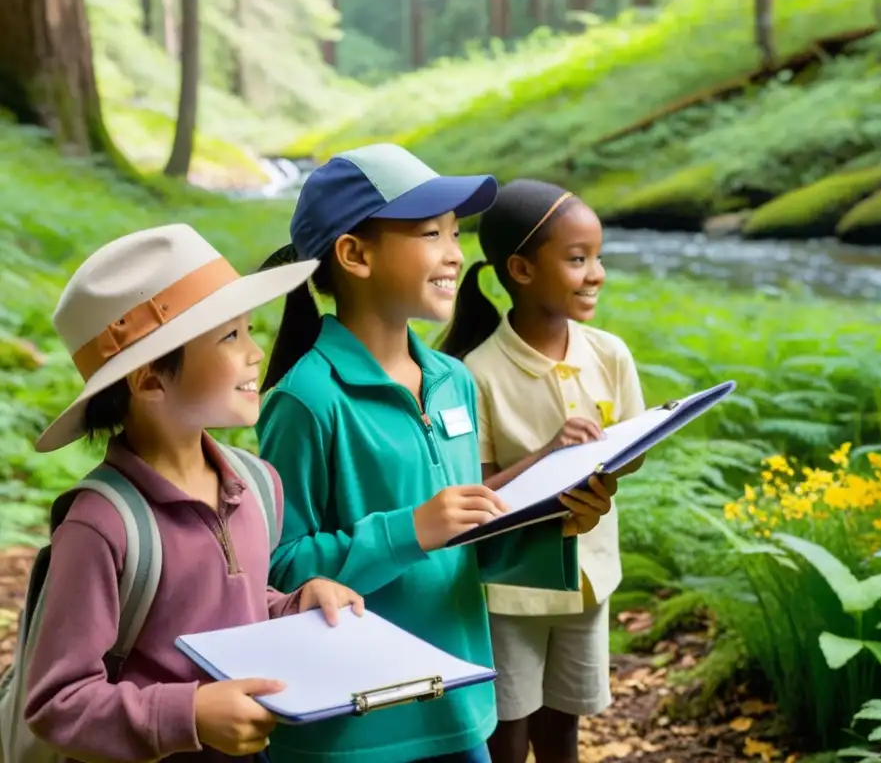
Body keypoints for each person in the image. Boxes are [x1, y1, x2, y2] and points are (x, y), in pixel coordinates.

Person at [254, 143, 616, 763]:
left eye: (455, 233)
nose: (454, 253)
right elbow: (278, 569)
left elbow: (468, 546)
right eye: (430, 233)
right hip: (352, 729)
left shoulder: (454, 380)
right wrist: (410, 529)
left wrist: (558, 524)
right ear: (354, 255)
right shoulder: (306, 400)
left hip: (457, 705)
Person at [21, 224, 364, 763]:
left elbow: (230, 609)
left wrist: (296, 603)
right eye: (230, 337)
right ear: (151, 379)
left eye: (250, 330)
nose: (256, 353)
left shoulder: (255, 486)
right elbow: (58, 703)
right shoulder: (102, 526)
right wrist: (191, 714)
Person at [438, 179, 647, 763]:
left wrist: (614, 457)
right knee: (506, 735)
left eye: (598, 257)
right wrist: (553, 455)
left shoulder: (609, 353)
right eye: (578, 260)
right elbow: (475, 493)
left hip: (587, 579)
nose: (597, 273)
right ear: (521, 271)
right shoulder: (474, 373)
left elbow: (634, 450)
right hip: (511, 591)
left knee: (563, 732)